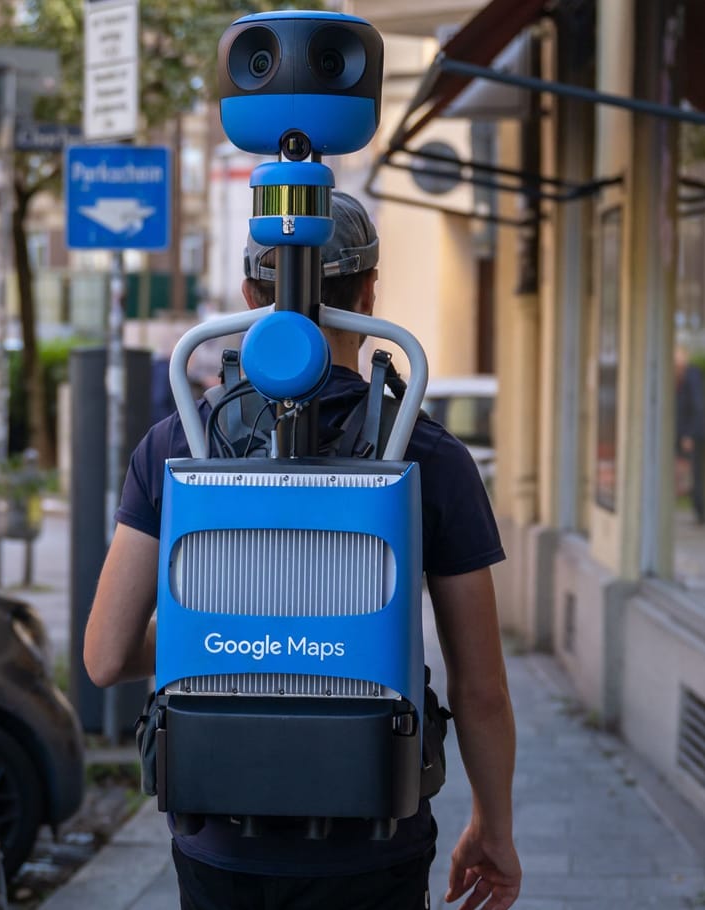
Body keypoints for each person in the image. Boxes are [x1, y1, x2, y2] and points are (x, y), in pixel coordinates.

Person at [84, 192, 521, 910]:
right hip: (374, 837)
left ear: (252, 296)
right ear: (370, 290)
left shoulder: (179, 446)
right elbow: (482, 690)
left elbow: (104, 656)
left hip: (221, 843)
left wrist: (238, 641)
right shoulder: (427, 454)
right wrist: (494, 830)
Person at [674, 343, 705, 524]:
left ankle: (700, 513)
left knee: (696, 474)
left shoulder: (693, 376)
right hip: (681, 432)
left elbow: (698, 407)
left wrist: (690, 434)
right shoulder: (678, 378)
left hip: (693, 434)